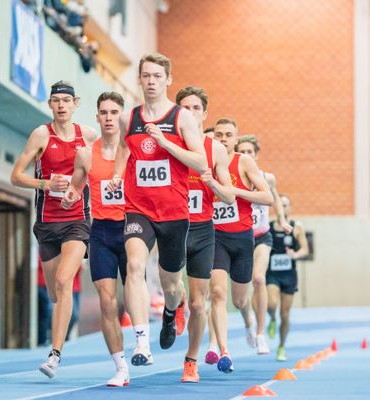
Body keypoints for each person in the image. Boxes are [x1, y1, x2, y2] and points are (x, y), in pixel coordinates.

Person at [108, 53, 207, 367]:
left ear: (168, 80)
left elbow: (201, 163)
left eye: (157, 76)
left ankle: (170, 310)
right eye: (146, 76)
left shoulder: (182, 118)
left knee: (171, 284)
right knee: (135, 266)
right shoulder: (129, 118)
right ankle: (141, 343)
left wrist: (166, 143)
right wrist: (115, 175)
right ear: (139, 79)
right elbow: (123, 149)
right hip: (138, 208)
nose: (151, 82)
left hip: (174, 213)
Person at [10, 80, 97, 378]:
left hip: (77, 221)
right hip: (47, 224)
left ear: (75, 104)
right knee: (54, 292)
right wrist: (45, 184)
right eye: (56, 100)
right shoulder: (40, 135)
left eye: (66, 100)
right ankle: (59, 332)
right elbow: (16, 176)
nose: (61, 105)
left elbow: (102, 167)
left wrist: (81, 187)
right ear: (49, 104)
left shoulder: (87, 136)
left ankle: (55, 354)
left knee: (64, 282)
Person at [63, 91, 130, 386]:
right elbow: (76, 188)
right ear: (97, 117)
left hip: (132, 230)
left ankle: (169, 310)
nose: (108, 118)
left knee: (132, 298)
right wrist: (69, 196)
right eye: (104, 112)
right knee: (107, 302)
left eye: (114, 112)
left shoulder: (134, 152)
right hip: (101, 231)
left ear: (122, 116)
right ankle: (121, 367)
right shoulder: (86, 154)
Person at [176, 86, 234, 382]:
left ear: (204, 113)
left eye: (196, 108)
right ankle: (175, 301)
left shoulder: (217, 150)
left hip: (201, 229)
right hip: (171, 226)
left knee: (200, 304)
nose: (191, 113)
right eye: (185, 108)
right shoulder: (168, 143)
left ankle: (191, 361)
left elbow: (229, 197)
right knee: (173, 289)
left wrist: (212, 183)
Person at [209, 119, 273, 373]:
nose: (223, 139)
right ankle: (222, 350)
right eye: (219, 135)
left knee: (239, 299)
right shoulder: (206, 162)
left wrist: (236, 191)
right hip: (215, 238)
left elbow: (267, 197)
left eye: (228, 135)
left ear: (236, 139)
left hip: (243, 238)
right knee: (217, 293)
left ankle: (249, 322)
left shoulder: (244, 162)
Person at [235, 135, 293, 355]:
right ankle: (248, 322)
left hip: (261, 236)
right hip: (239, 236)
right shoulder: (232, 177)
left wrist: (281, 219)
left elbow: (275, 198)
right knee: (240, 298)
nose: (247, 155)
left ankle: (260, 334)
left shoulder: (267, 178)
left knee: (258, 278)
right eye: (243, 151)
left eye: (250, 152)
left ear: (256, 155)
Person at [266, 194, 308, 361]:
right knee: (271, 303)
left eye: (285, 205)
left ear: (289, 208)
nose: (282, 208)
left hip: (289, 275)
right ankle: (272, 318)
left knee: (285, 313)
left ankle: (281, 346)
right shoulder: (268, 227)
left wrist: (295, 254)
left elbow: (305, 249)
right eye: (280, 205)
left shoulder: (296, 227)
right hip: (273, 274)